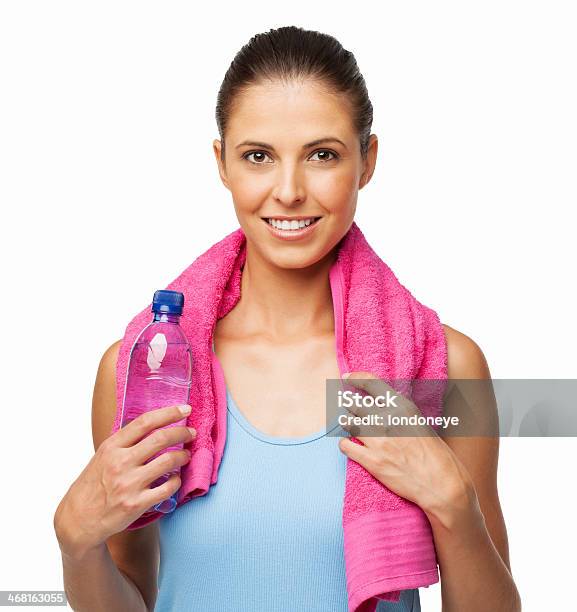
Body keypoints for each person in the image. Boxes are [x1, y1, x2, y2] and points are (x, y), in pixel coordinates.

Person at [53, 26, 521, 611]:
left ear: (367, 161)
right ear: (222, 163)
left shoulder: (446, 366)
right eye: (258, 156)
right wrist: (76, 546)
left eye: (322, 155)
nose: (290, 191)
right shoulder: (144, 369)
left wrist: (453, 501)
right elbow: (133, 598)